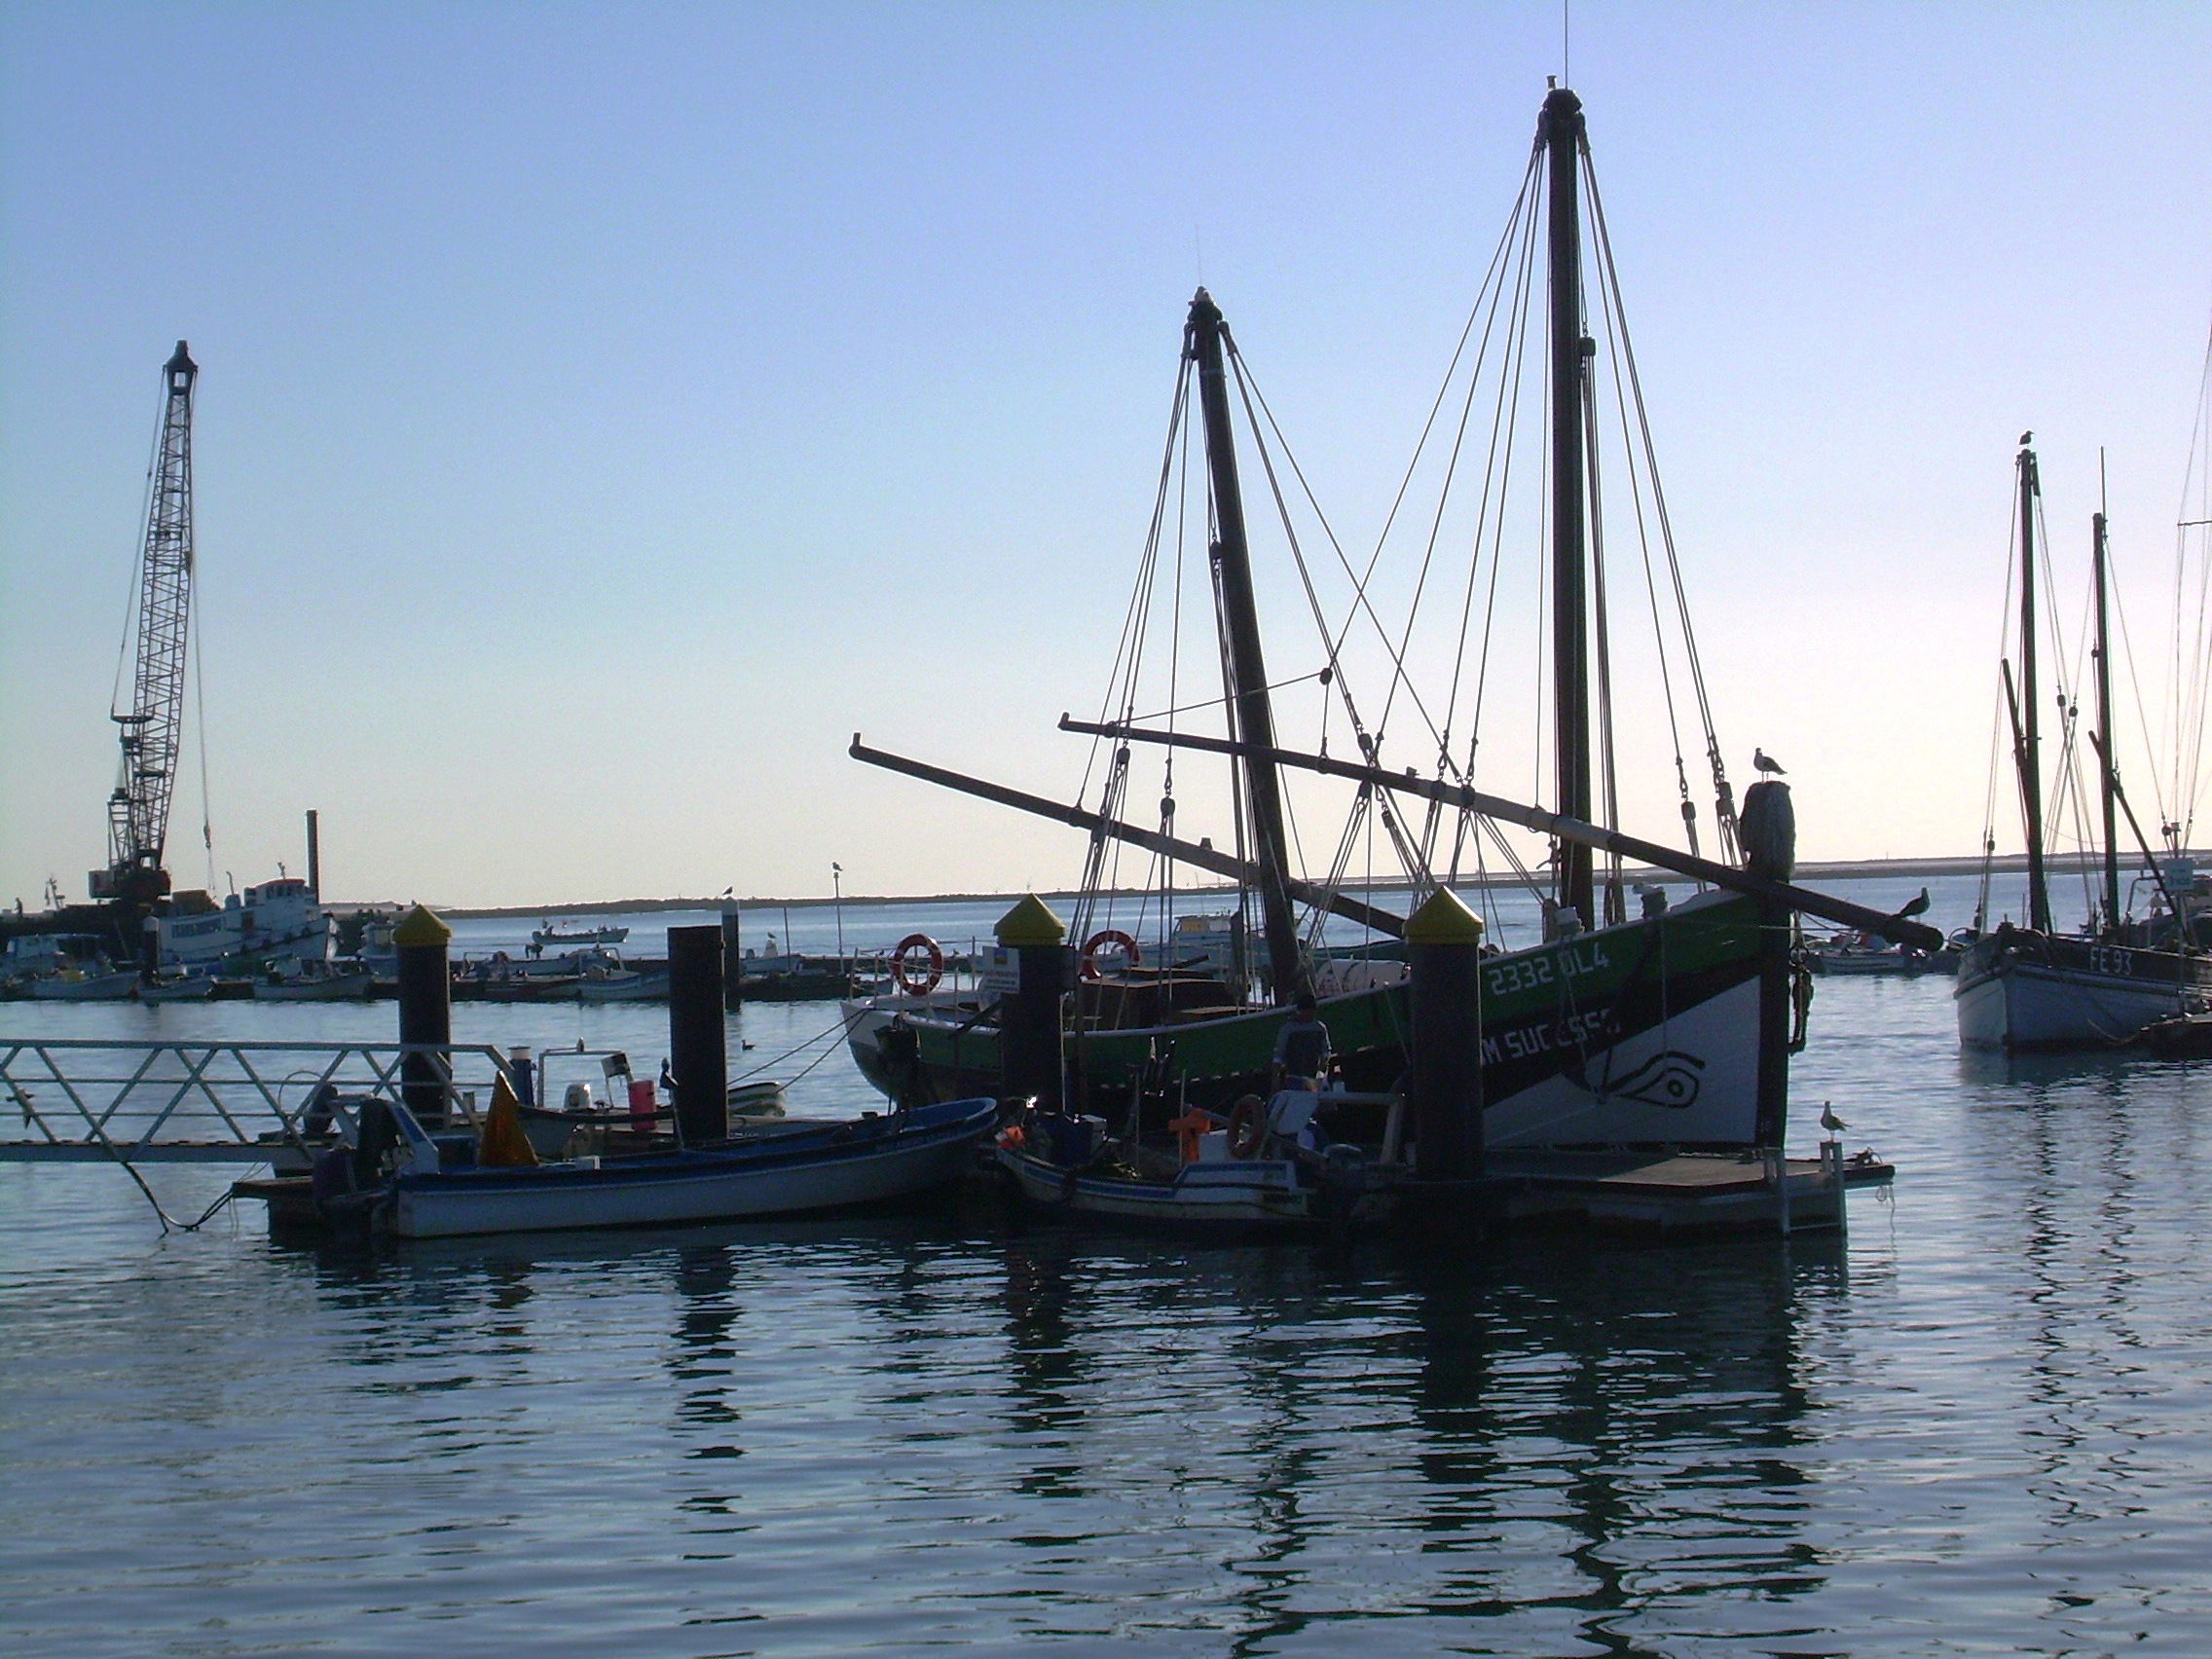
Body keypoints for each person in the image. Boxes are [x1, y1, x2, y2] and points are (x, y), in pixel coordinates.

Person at [1271, 991, 1332, 1091]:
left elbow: (1326, 1052)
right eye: (1307, 1012)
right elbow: (1279, 1055)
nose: (1310, 1015)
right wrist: (1275, 1078)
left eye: (1312, 1012)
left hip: (1314, 1077)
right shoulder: (1288, 1029)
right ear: (1300, 1011)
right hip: (1294, 1077)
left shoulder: (1320, 1028)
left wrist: (1322, 1071)